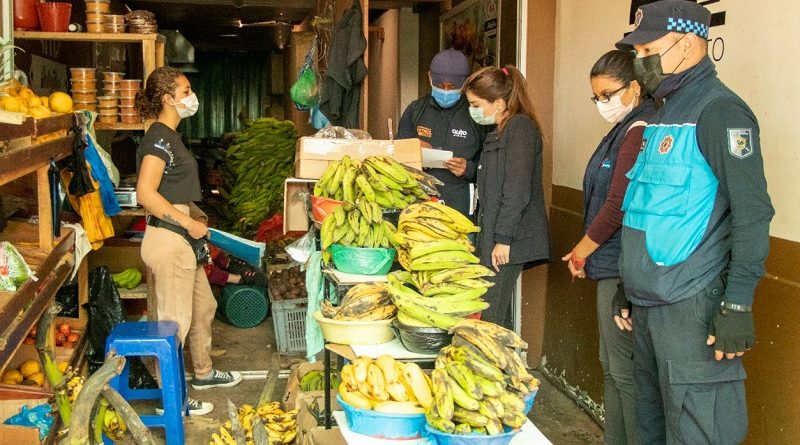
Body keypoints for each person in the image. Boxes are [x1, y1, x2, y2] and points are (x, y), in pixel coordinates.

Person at [614, 1, 773, 443]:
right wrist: (629, 287)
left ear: (686, 45)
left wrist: (738, 303)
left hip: (692, 311)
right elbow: (646, 205)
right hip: (649, 308)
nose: (639, 59)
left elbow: (753, 212)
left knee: (696, 434)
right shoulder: (662, 111)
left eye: (648, 48)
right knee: (649, 430)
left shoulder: (721, 112)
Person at [135, 67, 242, 416]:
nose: (191, 97)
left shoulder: (170, 135)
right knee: (174, 322)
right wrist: (185, 221)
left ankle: (204, 372)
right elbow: (146, 194)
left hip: (182, 236)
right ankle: (173, 398)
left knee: (203, 307)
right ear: (167, 99)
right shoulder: (159, 138)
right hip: (169, 239)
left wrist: (195, 218)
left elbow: (173, 189)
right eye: (186, 91)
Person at [562, 50, 656, 445]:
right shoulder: (623, 128)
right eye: (596, 97)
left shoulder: (640, 128)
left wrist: (581, 250)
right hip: (609, 264)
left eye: (608, 95)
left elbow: (618, 204)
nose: (603, 104)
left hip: (622, 269)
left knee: (624, 370)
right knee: (612, 365)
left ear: (634, 88)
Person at [462, 65, 551, 331]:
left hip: (505, 241)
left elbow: (517, 189)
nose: (473, 111)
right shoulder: (498, 131)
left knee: (490, 318)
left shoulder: (520, 129)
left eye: (476, 104)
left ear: (499, 103)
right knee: (489, 310)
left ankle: (492, 370)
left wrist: (503, 239)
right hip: (492, 236)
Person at [397, 49, 491, 218]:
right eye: (440, 86)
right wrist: (412, 151)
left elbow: (493, 165)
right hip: (419, 206)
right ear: (430, 77)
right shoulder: (416, 110)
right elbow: (396, 157)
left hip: (460, 208)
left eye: (452, 87)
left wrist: (468, 169)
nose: (446, 91)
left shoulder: (476, 115)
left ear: (465, 83)